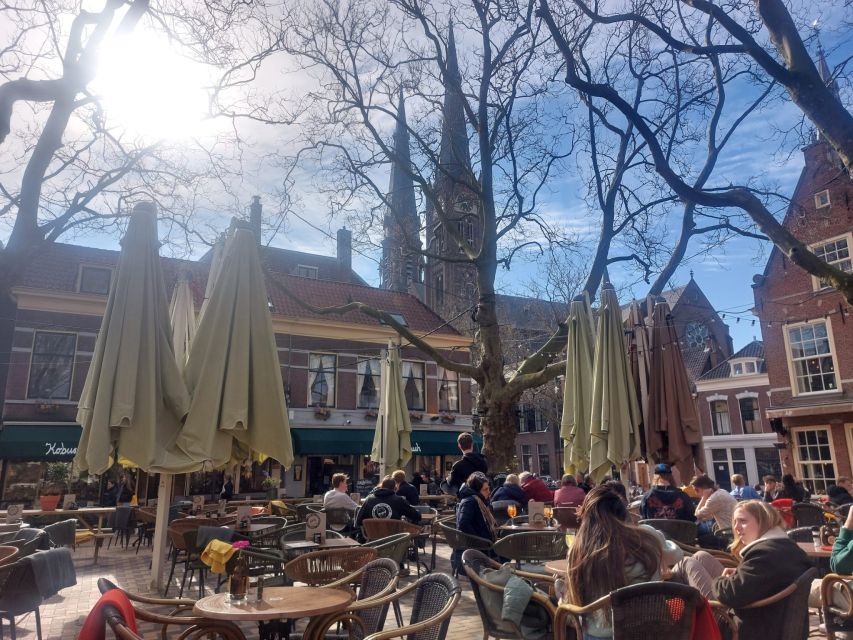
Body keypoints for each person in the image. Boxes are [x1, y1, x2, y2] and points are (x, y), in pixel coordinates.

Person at [673, 500, 811, 640]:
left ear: (764, 522)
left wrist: (720, 580)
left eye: (743, 521)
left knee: (685, 563)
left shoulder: (764, 554)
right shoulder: (787, 548)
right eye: (735, 522)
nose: (737, 528)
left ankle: (672, 625)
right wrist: (738, 575)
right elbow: (761, 580)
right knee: (701, 557)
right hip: (767, 618)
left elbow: (730, 595)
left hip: (741, 626)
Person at [565, 485, 683, 640]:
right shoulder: (646, 536)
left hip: (600, 635)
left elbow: (575, 603)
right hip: (653, 632)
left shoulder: (577, 549)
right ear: (624, 513)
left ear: (586, 517)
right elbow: (677, 556)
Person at [355, 476, 422, 527]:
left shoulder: (369, 500)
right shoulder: (399, 500)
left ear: (381, 486)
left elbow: (358, 521)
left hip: (372, 538)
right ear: (395, 488)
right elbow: (417, 516)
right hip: (394, 538)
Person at [691, 475, 736, 547]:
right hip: (732, 528)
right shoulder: (721, 491)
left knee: (698, 534)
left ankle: (717, 556)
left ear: (703, 488)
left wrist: (704, 497)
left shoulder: (713, 498)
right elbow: (708, 516)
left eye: (696, 490)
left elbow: (697, 515)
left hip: (728, 533)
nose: (696, 493)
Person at [457, 472, 498, 542]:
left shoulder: (481, 501)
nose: (489, 492)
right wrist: (479, 540)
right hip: (477, 547)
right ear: (476, 491)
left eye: (488, 488)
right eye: (485, 489)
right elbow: (463, 524)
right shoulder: (470, 502)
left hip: (485, 543)